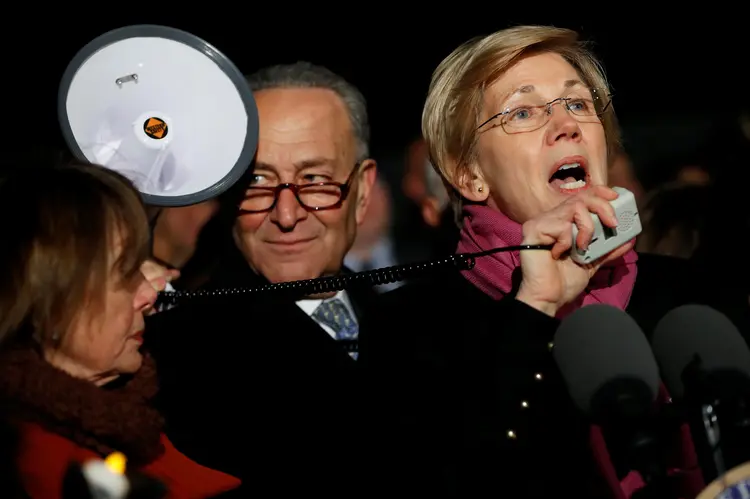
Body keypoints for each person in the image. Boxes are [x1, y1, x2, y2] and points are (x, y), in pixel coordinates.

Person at [360, 25, 734, 497]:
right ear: (469, 174)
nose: (567, 125)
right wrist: (536, 305)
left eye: (578, 104)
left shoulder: (692, 298)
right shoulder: (411, 328)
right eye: (522, 111)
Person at [145, 62, 378, 496]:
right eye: (256, 181)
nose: (285, 215)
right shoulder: (178, 351)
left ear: (362, 193)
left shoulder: (414, 319)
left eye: (314, 180)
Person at [0, 161, 240, 498]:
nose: (148, 293)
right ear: (49, 299)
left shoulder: (131, 419)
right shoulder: (31, 468)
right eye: (125, 272)